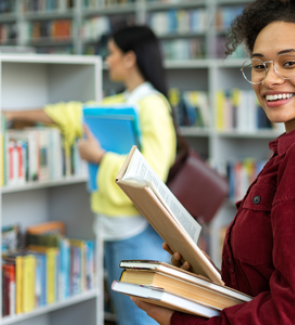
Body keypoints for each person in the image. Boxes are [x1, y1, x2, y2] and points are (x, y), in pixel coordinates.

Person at [131, 0, 295, 324]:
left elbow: (291, 316)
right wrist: (204, 280)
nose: (269, 79)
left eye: (289, 62)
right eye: (259, 65)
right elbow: (273, 282)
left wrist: (178, 320)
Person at [5, 26, 175, 324]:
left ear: (129, 59)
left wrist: (99, 157)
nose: (106, 60)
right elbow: (75, 113)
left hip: (135, 233)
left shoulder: (152, 106)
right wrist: (14, 115)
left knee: (140, 320)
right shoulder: (122, 101)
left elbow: (153, 174)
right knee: (128, 317)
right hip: (112, 230)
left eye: (110, 53)